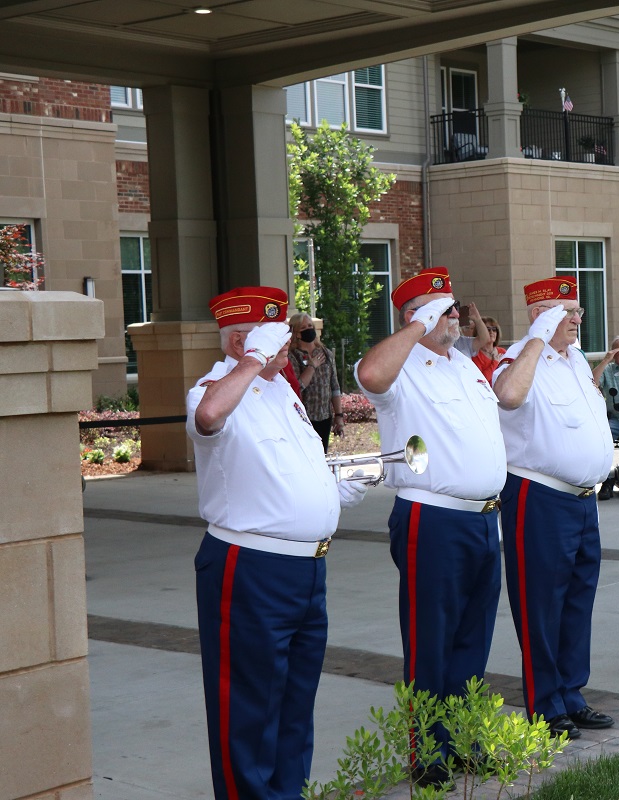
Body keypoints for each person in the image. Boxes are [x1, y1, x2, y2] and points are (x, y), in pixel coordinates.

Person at [186, 286, 368, 800]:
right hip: (251, 569)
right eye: (277, 335)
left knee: (294, 708)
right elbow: (207, 418)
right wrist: (253, 359)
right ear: (244, 339)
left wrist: (346, 485)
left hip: (307, 570)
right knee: (248, 711)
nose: (292, 343)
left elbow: (291, 476)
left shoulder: (284, 391)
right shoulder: (214, 388)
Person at [354, 267, 506, 789]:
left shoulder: (464, 367)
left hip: (484, 519)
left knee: (473, 638)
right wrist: (417, 329)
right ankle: (429, 752)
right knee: (432, 639)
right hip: (432, 516)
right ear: (413, 316)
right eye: (439, 307)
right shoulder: (402, 367)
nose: (453, 314)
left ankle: (464, 741)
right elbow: (369, 376)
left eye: (452, 304)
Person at [491, 277, 615, 740]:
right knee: (541, 605)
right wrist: (538, 338)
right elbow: (506, 396)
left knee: (577, 603)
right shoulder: (522, 357)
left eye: (579, 310)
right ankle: (545, 704)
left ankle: (571, 694)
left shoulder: (575, 359)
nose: (578, 318)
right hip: (539, 497)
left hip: (582, 502)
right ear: (540, 313)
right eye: (567, 310)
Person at [288, 312, 344, 452]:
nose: (309, 329)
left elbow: (334, 387)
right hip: (304, 418)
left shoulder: (325, 353)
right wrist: (312, 366)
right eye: (303, 328)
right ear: (296, 333)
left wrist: (339, 416)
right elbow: (297, 387)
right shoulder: (292, 356)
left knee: (322, 455)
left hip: (325, 417)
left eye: (310, 326)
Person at [593, 337, 619, 501]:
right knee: (601, 441)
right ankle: (607, 481)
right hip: (617, 420)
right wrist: (605, 360)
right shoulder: (608, 370)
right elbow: (591, 383)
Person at [472, 314, 506, 382]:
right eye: (487, 329)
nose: (491, 332)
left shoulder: (503, 352)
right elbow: (481, 380)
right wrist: (495, 363)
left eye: (494, 329)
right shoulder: (475, 355)